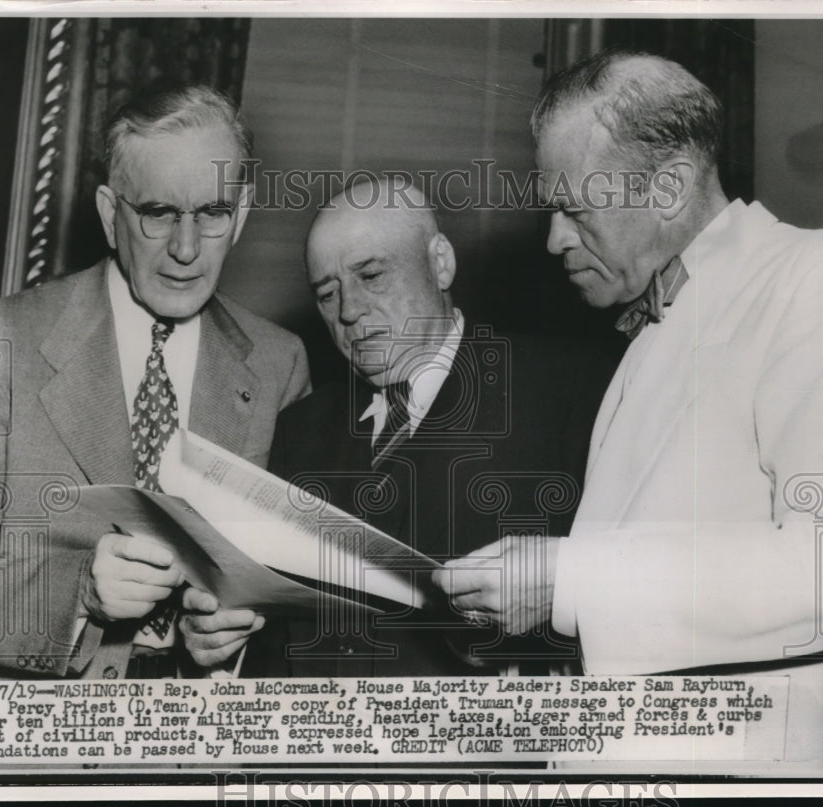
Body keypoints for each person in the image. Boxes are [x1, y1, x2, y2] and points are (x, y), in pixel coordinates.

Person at [433, 52, 823, 775]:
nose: (554, 239)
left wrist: (565, 582)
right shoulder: (645, 332)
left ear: (669, 188)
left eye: (575, 208)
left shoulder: (818, 274)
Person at [180, 178, 612, 677]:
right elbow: (273, 634)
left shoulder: (571, 390)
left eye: (372, 275)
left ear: (440, 262)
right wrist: (222, 643)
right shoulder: (299, 431)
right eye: (327, 294)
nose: (349, 310)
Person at [0, 85, 310, 680]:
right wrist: (77, 596)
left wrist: (240, 633)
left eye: (213, 214)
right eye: (157, 214)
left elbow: (298, 583)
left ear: (241, 214)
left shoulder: (281, 363)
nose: (186, 249)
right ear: (108, 212)